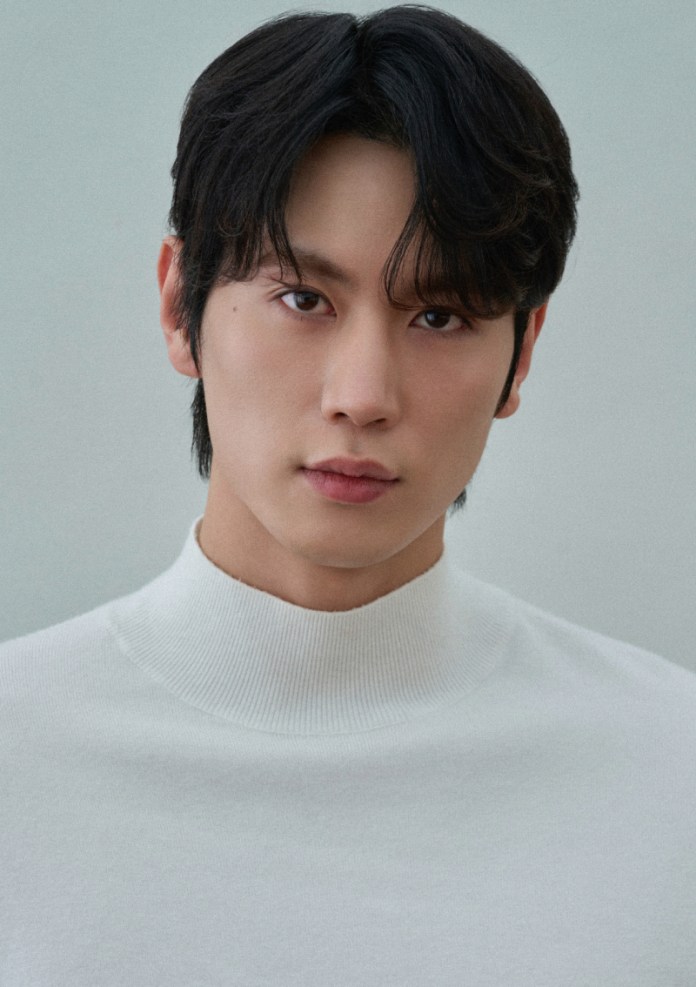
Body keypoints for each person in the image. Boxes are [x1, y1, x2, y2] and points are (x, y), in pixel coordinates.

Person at [1, 7, 694, 985]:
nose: (362, 395)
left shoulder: (669, 771)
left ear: (523, 351)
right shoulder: (19, 757)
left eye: (440, 315)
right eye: (304, 299)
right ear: (178, 305)